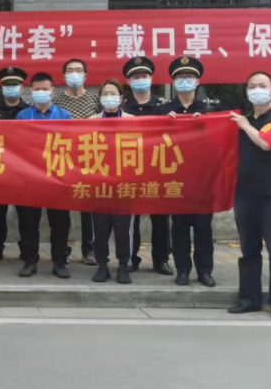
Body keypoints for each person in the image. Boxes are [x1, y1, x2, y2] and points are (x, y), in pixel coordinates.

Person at [228, 72, 271, 321]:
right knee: (249, 250)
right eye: (252, 86)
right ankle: (249, 298)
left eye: (262, 85)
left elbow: (266, 144)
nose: (257, 89)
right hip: (244, 193)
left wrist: (245, 126)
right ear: (246, 91)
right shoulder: (242, 120)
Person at [158, 56, 215, 287]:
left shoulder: (209, 110)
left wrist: (207, 124)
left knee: (203, 228)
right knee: (179, 227)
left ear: (198, 81)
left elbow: (219, 142)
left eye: (189, 76)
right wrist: (163, 123)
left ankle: (205, 271)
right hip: (176, 178)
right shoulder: (164, 111)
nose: (185, 80)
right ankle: (182, 269)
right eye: (180, 77)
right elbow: (152, 142)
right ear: (173, 82)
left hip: (202, 179)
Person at [16, 73, 75, 279]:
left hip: (57, 178)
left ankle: (59, 261)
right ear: (31, 92)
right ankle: (30, 260)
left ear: (52, 91)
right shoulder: (23, 116)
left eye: (45, 89)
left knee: (59, 222)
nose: (41, 92)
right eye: (37, 89)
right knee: (28, 222)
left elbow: (70, 145)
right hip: (30, 178)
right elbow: (17, 145)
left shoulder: (64, 116)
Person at [121, 56, 172, 276]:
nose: (140, 80)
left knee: (160, 217)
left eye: (144, 76)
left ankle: (161, 259)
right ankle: (130, 258)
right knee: (130, 218)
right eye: (135, 77)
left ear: (151, 78)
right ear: (129, 81)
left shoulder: (164, 107)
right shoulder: (123, 108)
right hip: (130, 168)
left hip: (157, 168)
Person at [52, 58, 100, 266]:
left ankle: (89, 249)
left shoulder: (95, 100)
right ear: (63, 76)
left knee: (89, 207)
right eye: (70, 70)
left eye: (78, 70)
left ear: (85, 76)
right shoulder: (56, 102)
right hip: (64, 158)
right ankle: (62, 248)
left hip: (90, 158)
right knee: (62, 206)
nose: (74, 73)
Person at [0, 67, 28, 264]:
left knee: (26, 213)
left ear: (22, 87)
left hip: (24, 170)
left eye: (15, 84)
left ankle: (27, 248)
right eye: (7, 85)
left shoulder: (28, 111)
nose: (11, 88)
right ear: (1, 87)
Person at [91, 79, 135, 284]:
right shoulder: (91, 121)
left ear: (121, 97)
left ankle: (124, 265)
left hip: (124, 184)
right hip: (99, 184)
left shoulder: (132, 121)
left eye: (113, 93)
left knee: (123, 228)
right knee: (100, 228)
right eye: (105, 93)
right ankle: (102, 265)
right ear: (100, 98)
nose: (109, 97)